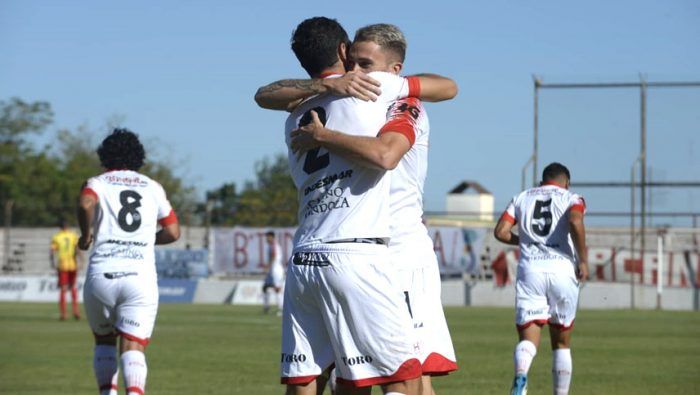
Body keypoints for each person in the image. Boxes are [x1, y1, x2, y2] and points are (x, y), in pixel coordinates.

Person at [255, 17, 456, 395]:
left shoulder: (296, 109)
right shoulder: (381, 91)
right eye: (357, 62)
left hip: (317, 252)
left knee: (325, 379)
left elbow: (263, 94)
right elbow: (444, 92)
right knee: (404, 377)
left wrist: (323, 108)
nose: (362, 72)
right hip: (362, 248)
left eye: (369, 64)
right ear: (344, 52)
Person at [77, 128, 180, 395]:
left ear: (105, 156)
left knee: (104, 341)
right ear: (138, 157)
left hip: (102, 274)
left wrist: (86, 235)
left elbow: (86, 204)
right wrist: (145, 239)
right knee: (133, 347)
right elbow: (173, 232)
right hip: (139, 279)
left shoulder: (98, 182)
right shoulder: (152, 187)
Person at [493, 162, 589, 395]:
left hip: (530, 271)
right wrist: (583, 260)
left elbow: (501, 232)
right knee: (561, 343)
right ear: (566, 182)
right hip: (562, 271)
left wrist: (525, 241)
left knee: (528, 337)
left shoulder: (521, 197)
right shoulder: (572, 197)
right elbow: (576, 221)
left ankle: (521, 375)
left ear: (541, 181)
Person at [50, 219, 81, 320]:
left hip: (62, 265)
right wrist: (81, 260)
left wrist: (52, 263)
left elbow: (52, 251)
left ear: (60, 227)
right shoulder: (73, 235)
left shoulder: (57, 237)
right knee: (73, 287)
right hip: (72, 264)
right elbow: (77, 249)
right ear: (67, 226)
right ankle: (76, 311)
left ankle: (63, 314)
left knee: (63, 289)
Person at [262, 230, 284, 315]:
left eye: (268, 237)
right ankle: (266, 306)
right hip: (272, 270)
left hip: (276, 270)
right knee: (265, 287)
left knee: (277, 289)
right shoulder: (271, 245)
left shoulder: (274, 245)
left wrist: (267, 266)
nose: (266, 239)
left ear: (272, 237)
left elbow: (274, 256)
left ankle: (281, 309)